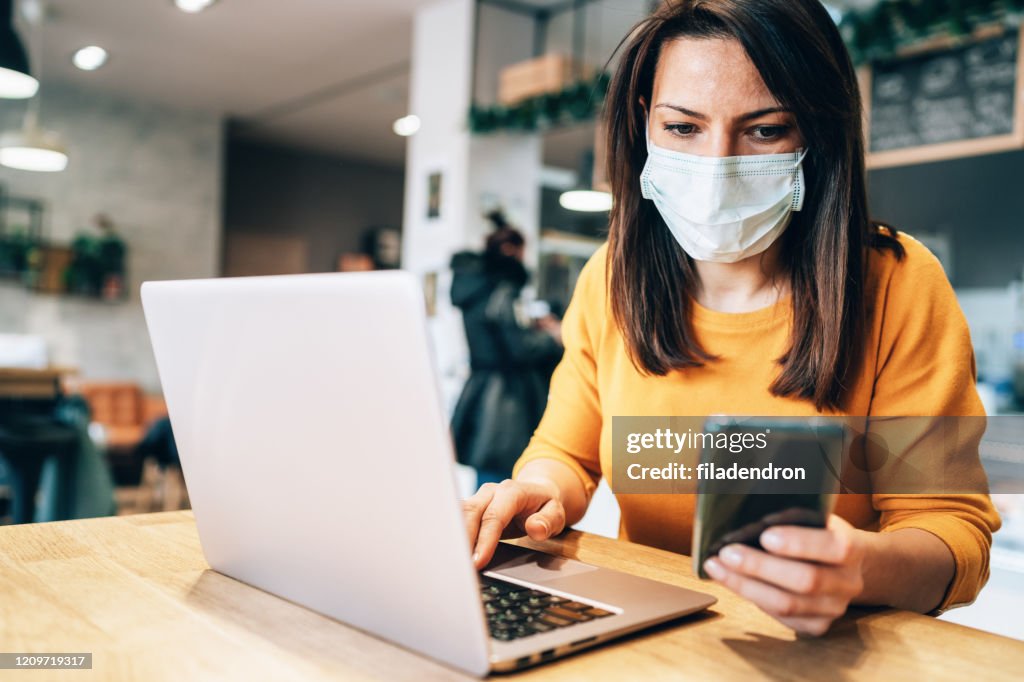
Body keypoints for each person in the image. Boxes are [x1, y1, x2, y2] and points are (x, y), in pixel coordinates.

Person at [462, 0, 1000, 636]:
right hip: (649, 641)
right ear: (643, 124)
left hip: (826, 654)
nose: (717, 167)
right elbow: (566, 455)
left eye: (765, 130)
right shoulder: (610, 278)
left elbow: (951, 533)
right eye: (683, 128)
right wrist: (537, 492)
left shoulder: (901, 283)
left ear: (816, 133)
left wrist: (860, 567)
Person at [449, 211, 564, 485]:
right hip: (506, 402)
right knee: (504, 480)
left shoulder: (473, 290)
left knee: (485, 481)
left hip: (480, 387)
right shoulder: (504, 291)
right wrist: (553, 338)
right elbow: (520, 348)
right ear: (511, 250)